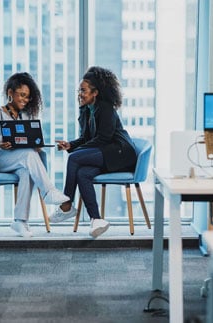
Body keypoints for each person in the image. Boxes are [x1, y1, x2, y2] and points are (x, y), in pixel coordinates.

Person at [0, 72, 69, 238]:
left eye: (27, 97)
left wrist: (36, 146)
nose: (24, 100)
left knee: (26, 171)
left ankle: (20, 221)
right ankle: (48, 191)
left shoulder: (24, 116)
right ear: (10, 93)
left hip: (16, 160)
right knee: (27, 156)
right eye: (21, 95)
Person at [52, 66, 137, 238]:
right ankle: (96, 219)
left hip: (120, 154)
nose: (80, 94)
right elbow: (86, 138)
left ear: (95, 92)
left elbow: (103, 139)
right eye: (79, 90)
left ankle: (67, 204)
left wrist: (76, 151)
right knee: (83, 173)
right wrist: (70, 145)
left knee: (75, 159)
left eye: (83, 90)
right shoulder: (86, 110)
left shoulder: (106, 108)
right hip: (105, 155)